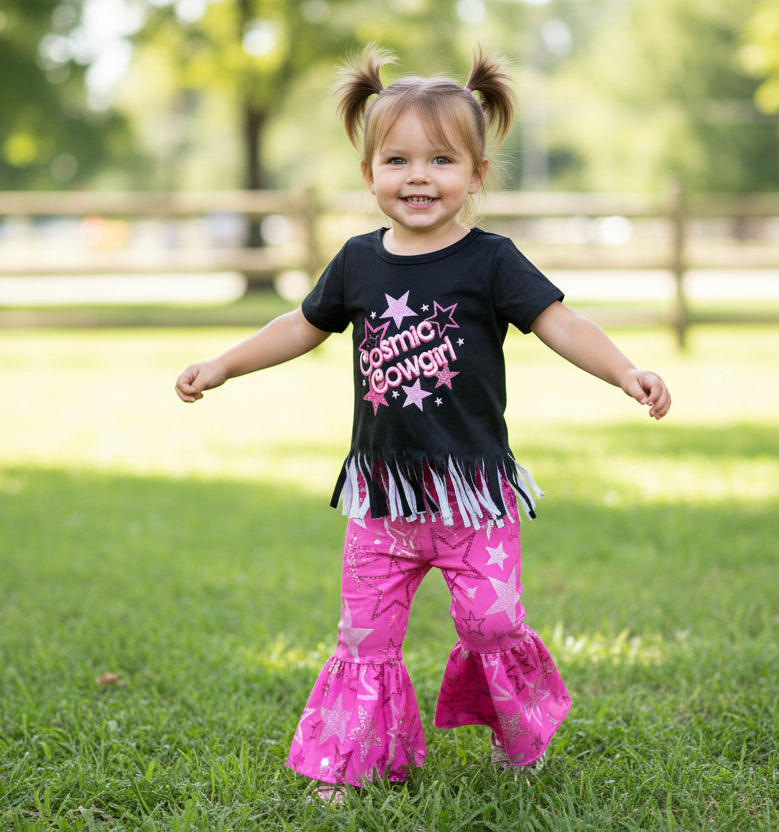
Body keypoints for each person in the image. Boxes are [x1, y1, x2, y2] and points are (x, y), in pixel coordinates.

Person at [175, 44, 671, 800]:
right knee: (364, 638)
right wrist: (222, 365)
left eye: (441, 160)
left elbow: (562, 325)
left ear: (476, 174)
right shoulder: (357, 263)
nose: (417, 177)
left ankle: (520, 736)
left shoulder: (493, 261)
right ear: (369, 172)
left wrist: (626, 371)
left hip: (473, 495)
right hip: (382, 499)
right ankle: (349, 762)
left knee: (493, 625)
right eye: (397, 160)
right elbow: (299, 326)